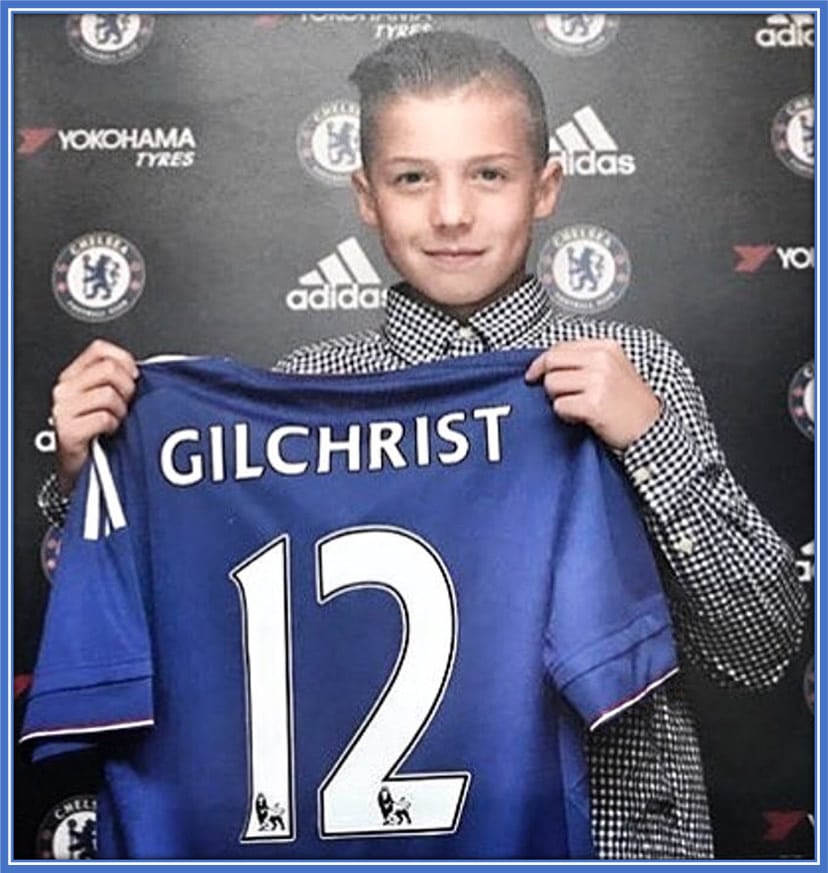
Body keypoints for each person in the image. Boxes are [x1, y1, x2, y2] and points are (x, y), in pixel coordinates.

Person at [35, 30, 807, 860]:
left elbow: (760, 645)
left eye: (489, 174)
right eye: (412, 178)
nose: (450, 213)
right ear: (366, 196)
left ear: (546, 187)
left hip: (612, 845)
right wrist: (98, 484)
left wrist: (649, 441)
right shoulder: (304, 398)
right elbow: (202, 660)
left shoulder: (633, 371)